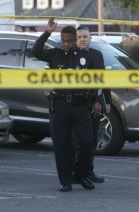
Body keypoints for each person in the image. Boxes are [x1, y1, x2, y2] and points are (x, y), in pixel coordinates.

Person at [33, 18, 103, 192]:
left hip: (81, 106)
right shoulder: (54, 54)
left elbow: (98, 81)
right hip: (60, 105)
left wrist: (98, 100)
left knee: (87, 142)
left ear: (76, 40)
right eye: (63, 41)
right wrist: (47, 32)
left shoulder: (86, 56)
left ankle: (81, 175)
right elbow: (36, 51)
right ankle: (65, 181)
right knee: (62, 146)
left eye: (70, 41)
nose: (66, 44)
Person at [75, 25, 111, 184]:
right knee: (81, 141)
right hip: (78, 105)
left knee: (93, 139)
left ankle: (89, 171)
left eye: (85, 36)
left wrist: (106, 100)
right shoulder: (71, 55)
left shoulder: (97, 55)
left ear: (90, 38)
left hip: (95, 103)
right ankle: (78, 173)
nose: (82, 39)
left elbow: (103, 79)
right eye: (79, 37)